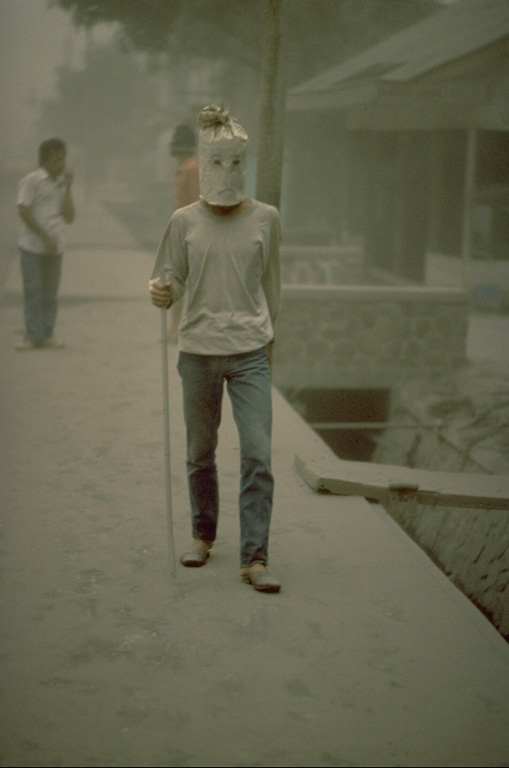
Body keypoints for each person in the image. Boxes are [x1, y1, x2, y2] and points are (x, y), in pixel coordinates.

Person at [150, 104, 282, 593]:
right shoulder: (183, 222)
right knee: (200, 452)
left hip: (250, 352)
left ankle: (255, 557)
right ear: (205, 164)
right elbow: (170, 280)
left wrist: (272, 345)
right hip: (199, 350)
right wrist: (162, 293)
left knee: (259, 454)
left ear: (243, 164)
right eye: (218, 162)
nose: (227, 172)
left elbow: (273, 288)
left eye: (235, 163)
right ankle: (202, 535)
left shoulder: (266, 219)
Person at [16, 138, 75, 350]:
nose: (61, 164)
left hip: (55, 248)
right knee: (33, 290)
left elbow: (69, 217)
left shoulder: (61, 184)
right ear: (45, 159)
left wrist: (68, 188)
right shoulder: (32, 181)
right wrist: (43, 236)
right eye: (57, 159)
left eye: (63, 159)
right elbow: (23, 210)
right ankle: (33, 335)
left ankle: (48, 333)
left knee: (50, 293)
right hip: (32, 246)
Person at [166, 124, 200, 341]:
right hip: (181, 230)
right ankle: (174, 329)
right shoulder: (182, 167)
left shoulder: (191, 169)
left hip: (190, 231)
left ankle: (178, 329)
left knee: (185, 281)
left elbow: (195, 203)